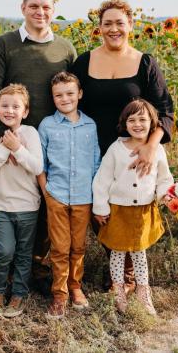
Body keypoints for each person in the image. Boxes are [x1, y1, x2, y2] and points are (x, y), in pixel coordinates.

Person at [0, 0, 77, 294]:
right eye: (33, 5)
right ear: (23, 8)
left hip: (53, 142)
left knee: (51, 204)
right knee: (16, 202)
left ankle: (36, 264)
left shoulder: (65, 49)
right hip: (13, 140)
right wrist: (6, 138)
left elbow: (72, 93)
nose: (40, 11)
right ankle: (10, 269)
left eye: (46, 6)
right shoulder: (5, 44)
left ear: (53, 11)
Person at [71, 0, 174, 292]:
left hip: (133, 152)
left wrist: (152, 145)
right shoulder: (85, 61)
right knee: (100, 208)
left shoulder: (145, 63)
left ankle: (127, 273)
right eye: (107, 23)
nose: (114, 29)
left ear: (130, 25)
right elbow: (68, 99)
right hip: (93, 149)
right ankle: (116, 264)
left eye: (120, 22)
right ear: (99, 28)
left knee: (131, 208)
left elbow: (165, 109)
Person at [93, 99, 174, 314]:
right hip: (119, 210)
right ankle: (118, 291)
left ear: (152, 122)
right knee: (117, 252)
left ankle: (143, 292)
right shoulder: (116, 148)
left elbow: (164, 178)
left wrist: (166, 195)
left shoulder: (156, 150)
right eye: (132, 120)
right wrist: (101, 207)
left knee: (139, 253)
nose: (137, 124)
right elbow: (102, 180)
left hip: (144, 211)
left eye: (142, 119)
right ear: (124, 124)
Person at [37, 72, 101, 319]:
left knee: (78, 246)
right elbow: (40, 164)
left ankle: (76, 287)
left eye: (70, 93)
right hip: (58, 194)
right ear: (53, 98)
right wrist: (47, 193)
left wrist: (96, 195)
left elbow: (96, 162)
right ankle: (59, 294)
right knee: (60, 248)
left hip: (84, 196)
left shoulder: (90, 125)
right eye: (59, 95)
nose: (65, 99)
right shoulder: (47, 125)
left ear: (80, 94)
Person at [0, 84, 43, 317]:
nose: (10, 110)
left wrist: (17, 148)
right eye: (4, 106)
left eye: (16, 106)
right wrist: (4, 150)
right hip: (1, 205)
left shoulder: (31, 134)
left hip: (27, 206)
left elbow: (37, 166)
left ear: (25, 112)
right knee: (5, 251)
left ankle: (18, 294)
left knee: (24, 254)